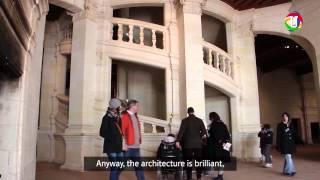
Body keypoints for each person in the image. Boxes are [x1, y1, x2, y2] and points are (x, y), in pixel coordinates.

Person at [176, 107, 207, 180]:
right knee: (199, 161)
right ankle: (198, 177)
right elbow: (204, 133)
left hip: (187, 145)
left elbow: (181, 132)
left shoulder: (184, 121)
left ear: (188, 112)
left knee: (188, 161)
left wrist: (177, 141)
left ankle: (189, 177)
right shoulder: (199, 120)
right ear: (194, 112)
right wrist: (203, 141)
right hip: (198, 145)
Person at [99, 98, 124, 180]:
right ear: (114, 107)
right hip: (110, 147)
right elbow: (102, 133)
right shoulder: (106, 118)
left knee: (121, 166)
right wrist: (114, 136)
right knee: (114, 167)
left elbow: (120, 131)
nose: (120, 108)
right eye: (119, 106)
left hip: (118, 146)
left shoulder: (117, 117)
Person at [121, 99, 145, 180]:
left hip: (136, 147)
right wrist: (124, 144)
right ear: (132, 106)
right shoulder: (124, 116)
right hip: (128, 147)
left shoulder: (135, 116)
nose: (138, 107)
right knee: (120, 167)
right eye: (137, 105)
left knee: (139, 167)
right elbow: (121, 131)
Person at [207, 112, 231, 180]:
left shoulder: (213, 125)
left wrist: (209, 130)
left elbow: (214, 135)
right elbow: (227, 135)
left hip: (218, 145)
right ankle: (220, 175)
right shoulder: (223, 124)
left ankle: (219, 176)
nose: (210, 119)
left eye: (210, 118)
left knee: (219, 160)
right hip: (225, 144)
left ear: (212, 117)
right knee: (222, 160)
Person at [276, 112, 296, 176]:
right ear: (282, 117)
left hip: (290, 143)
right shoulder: (280, 125)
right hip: (284, 143)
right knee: (288, 157)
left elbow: (293, 132)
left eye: (286, 116)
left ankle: (285, 171)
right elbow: (279, 135)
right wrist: (278, 144)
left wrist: (288, 127)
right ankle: (291, 171)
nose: (285, 117)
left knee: (287, 158)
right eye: (284, 116)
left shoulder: (291, 124)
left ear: (288, 117)